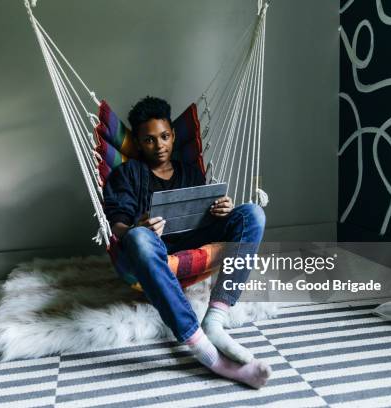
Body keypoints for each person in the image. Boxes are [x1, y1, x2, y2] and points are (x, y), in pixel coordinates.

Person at [103, 96, 271, 388]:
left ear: (174, 134)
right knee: (139, 238)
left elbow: (206, 217)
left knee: (252, 214)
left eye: (165, 136)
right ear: (139, 143)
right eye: (149, 140)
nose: (160, 146)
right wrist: (137, 226)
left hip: (195, 238)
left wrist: (223, 211)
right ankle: (204, 351)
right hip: (153, 250)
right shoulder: (127, 174)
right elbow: (116, 225)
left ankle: (215, 320)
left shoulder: (190, 171)